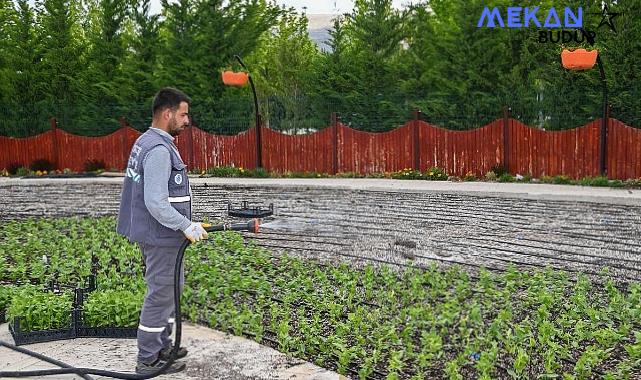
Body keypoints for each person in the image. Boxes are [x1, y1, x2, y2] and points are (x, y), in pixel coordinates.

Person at [117, 87, 208, 375]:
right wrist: (185, 224)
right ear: (167, 114)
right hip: (161, 236)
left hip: (161, 234)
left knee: (170, 290)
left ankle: (162, 346)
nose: (187, 120)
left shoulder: (147, 141)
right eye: (183, 114)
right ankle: (148, 357)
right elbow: (155, 201)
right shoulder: (157, 150)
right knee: (161, 293)